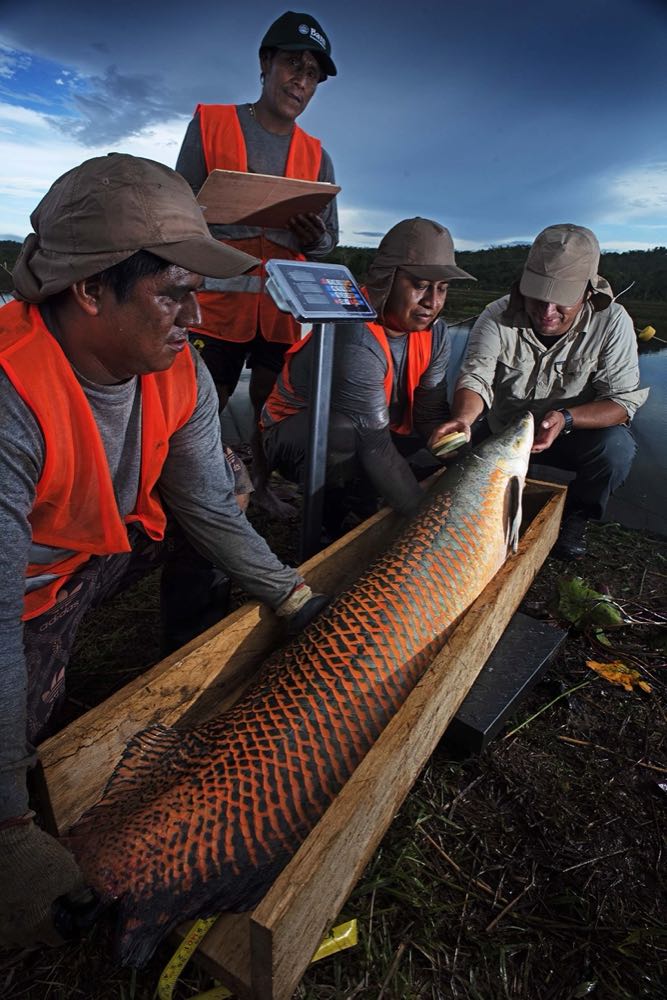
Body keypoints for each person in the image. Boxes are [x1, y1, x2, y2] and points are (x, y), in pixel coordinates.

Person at [0, 153, 328, 951]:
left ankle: (188, 653)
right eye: (175, 293)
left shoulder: (176, 367)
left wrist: (291, 599)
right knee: (23, 746)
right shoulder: (10, 392)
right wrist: (7, 819)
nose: (196, 316)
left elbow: (207, 507)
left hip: (101, 553)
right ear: (89, 288)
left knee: (229, 493)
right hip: (26, 594)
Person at [176, 10, 339, 492]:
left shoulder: (317, 154)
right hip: (217, 306)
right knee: (203, 402)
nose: (302, 82)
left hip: (281, 310)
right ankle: (190, 489)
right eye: (294, 65)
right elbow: (178, 211)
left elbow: (328, 241)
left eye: (312, 75)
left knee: (269, 403)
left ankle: (261, 487)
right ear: (266, 63)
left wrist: (314, 238)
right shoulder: (212, 125)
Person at [432, 224, 649, 559]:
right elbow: (476, 379)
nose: (547, 313)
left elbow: (621, 402)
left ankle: (577, 517)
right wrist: (462, 419)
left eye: (562, 301)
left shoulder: (614, 322)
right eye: (538, 297)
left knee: (616, 449)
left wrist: (565, 418)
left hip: (570, 433)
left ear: (589, 293)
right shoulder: (495, 315)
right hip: (505, 431)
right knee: (450, 448)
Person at [261, 217, 476, 537]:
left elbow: (429, 410)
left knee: (461, 436)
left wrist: (445, 440)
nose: (432, 302)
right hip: (296, 436)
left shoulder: (437, 334)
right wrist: (433, 531)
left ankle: (365, 497)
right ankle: (325, 524)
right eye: (420, 286)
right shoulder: (356, 334)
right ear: (388, 280)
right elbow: (373, 443)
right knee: (343, 434)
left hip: (375, 429)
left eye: (442, 289)